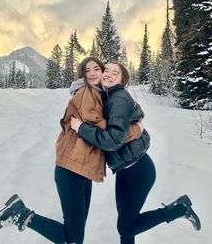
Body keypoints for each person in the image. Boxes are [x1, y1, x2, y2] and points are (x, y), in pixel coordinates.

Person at [0, 57, 141, 244]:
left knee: (75, 235)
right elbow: (107, 132)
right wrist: (133, 128)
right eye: (87, 70)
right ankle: (22, 214)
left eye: (96, 69)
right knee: (73, 239)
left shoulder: (99, 96)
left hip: (82, 170)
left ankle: (22, 214)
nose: (92, 73)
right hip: (71, 170)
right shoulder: (87, 93)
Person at [71, 61, 201, 244]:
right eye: (106, 70)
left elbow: (113, 140)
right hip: (125, 170)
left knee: (126, 226)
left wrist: (81, 128)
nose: (108, 74)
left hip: (138, 171)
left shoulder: (118, 98)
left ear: (122, 80)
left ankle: (179, 208)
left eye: (114, 73)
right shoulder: (108, 97)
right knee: (127, 225)